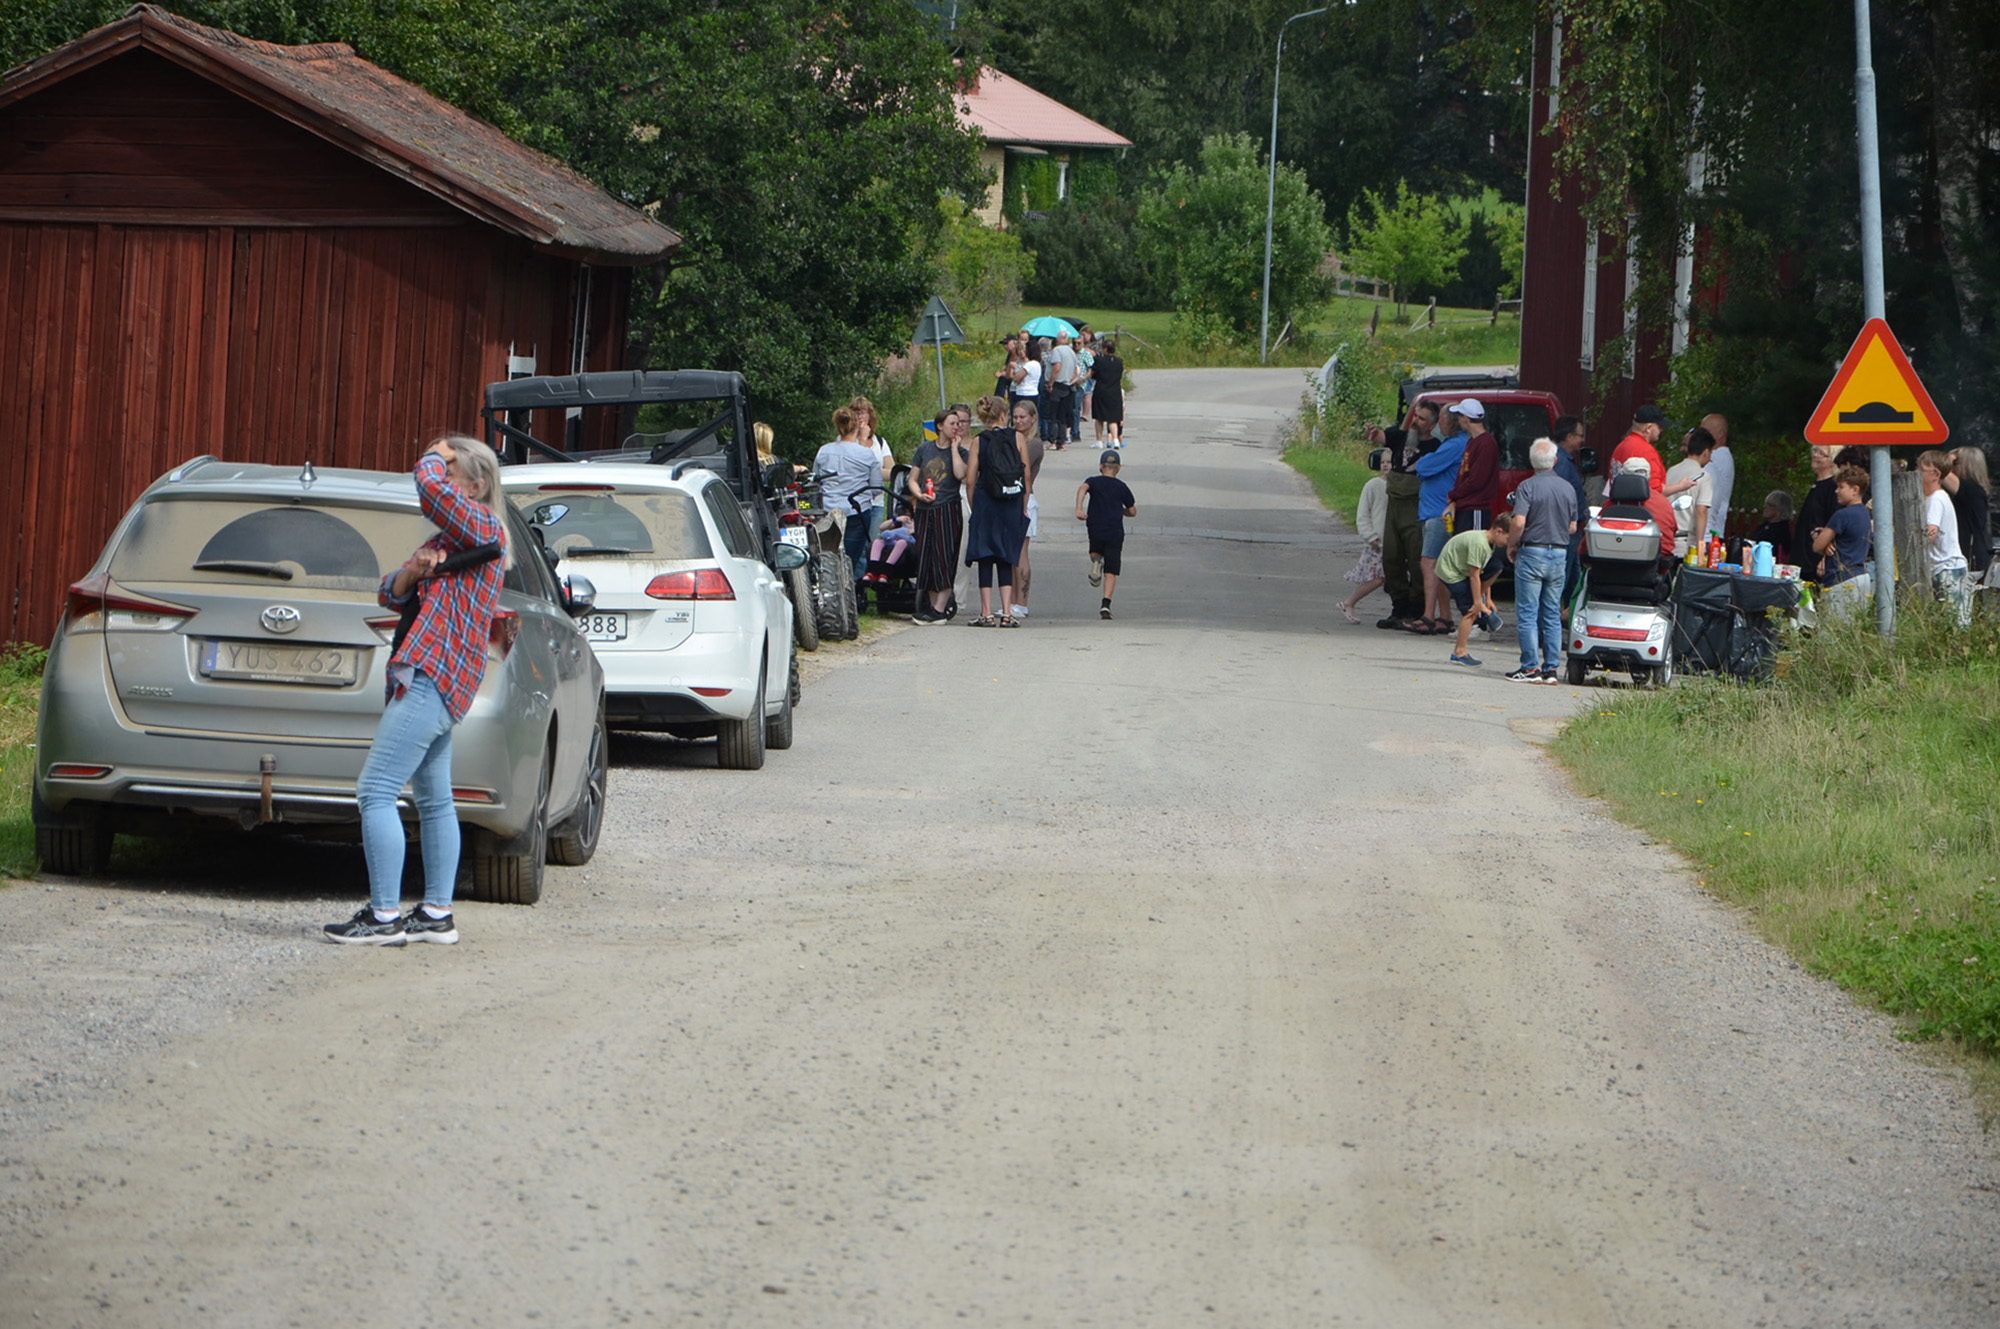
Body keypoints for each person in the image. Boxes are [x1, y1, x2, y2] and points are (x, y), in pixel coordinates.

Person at [324, 436, 507, 946]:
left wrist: (436, 452)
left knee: (375, 790)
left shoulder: (484, 527)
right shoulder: (449, 541)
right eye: (447, 473)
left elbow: (427, 488)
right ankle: (435, 915)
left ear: (477, 486)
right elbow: (388, 592)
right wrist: (411, 573)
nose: (445, 484)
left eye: (455, 478)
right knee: (433, 798)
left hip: (433, 676)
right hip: (431, 677)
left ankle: (384, 917)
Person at [1508, 438, 1577, 683]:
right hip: (1559, 553)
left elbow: (1518, 522)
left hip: (1532, 551)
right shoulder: (1568, 488)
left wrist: (1512, 544)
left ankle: (1529, 668)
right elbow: (1572, 526)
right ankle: (1551, 669)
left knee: (1527, 612)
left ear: (1531, 461)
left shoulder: (1527, 487)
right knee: (1551, 612)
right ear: (1555, 461)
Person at [1366, 400, 1438, 627]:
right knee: (1391, 558)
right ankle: (1398, 608)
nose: (1416, 421)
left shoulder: (1435, 447)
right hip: (1394, 505)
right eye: (1415, 416)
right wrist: (1373, 432)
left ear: (1432, 425)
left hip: (1416, 507)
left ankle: (1416, 609)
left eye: (1422, 419)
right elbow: (1380, 438)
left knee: (1417, 559)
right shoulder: (1401, 437)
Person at [962, 395, 1031, 626]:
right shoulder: (1018, 438)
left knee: (985, 556)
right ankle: (1007, 613)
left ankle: (986, 613)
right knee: (1005, 555)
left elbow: (970, 479)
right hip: (1011, 502)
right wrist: (1023, 505)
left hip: (986, 502)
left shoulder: (979, 441)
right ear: (1005, 414)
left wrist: (974, 505)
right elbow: (1026, 476)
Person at [1410, 406, 1470, 633]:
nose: (1439, 425)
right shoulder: (1452, 444)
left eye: (1442, 420)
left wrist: (1425, 462)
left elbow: (1423, 467)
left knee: (1429, 562)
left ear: (1449, 422)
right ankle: (1444, 617)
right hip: (1434, 511)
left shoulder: (1454, 445)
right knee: (1440, 565)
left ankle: (1428, 615)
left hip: (1438, 512)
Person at [909, 405, 968, 623]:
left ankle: (940, 608)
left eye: (959, 424)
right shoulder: (924, 449)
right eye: (952, 423)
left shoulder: (961, 452)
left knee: (945, 556)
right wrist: (919, 495)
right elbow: (913, 479)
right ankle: (934, 607)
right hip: (925, 509)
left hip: (947, 508)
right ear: (940, 426)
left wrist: (954, 449)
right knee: (927, 557)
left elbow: (961, 474)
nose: (957, 427)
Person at [1436, 513, 1518, 668]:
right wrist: (1477, 603)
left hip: (1462, 567)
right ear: (1498, 531)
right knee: (1471, 611)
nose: (1508, 544)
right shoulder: (1480, 544)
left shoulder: (1490, 543)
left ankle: (1480, 605)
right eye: (1508, 539)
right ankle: (1459, 652)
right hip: (1451, 571)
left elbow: (1483, 571)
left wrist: (1488, 599)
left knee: (1497, 567)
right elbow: (1474, 576)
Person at [814, 405, 880, 584]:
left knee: (828, 554)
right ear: (856, 426)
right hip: (856, 510)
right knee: (851, 557)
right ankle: (850, 590)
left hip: (828, 510)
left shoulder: (824, 450)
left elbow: (816, 481)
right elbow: (876, 488)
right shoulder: (866, 454)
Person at [1077, 449, 1136, 619]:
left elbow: (1082, 489)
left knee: (1095, 551)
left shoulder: (1092, 482)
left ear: (1101, 466)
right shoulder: (1122, 487)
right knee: (1111, 569)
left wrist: (1079, 508)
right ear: (1118, 468)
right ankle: (1106, 603)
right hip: (1114, 530)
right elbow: (1132, 511)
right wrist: (1122, 511)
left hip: (1095, 526)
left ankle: (1096, 560)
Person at [1918, 449, 1971, 625]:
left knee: (1954, 623)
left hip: (1948, 568)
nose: (1917, 472)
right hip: (1942, 568)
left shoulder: (1936, 499)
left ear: (1936, 475)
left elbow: (1931, 532)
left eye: (1921, 469)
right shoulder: (1932, 498)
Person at [1814, 464, 1872, 617]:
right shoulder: (1865, 514)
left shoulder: (1842, 515)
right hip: (1861, 577)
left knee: (1833, 631)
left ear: (1855, 490)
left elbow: (1817, 545)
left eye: (1841, 487)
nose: (1836, 491)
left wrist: (1824, 544)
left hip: (1841, 579)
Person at [1341, 448, 1391, 624]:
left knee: (1389, 577)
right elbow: (1362, 514)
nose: (1385, 465)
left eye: (1389, 462)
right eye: (1383, 462)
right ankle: (1349, 602)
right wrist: (1370, 536)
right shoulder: (1372, 486)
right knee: (1378, 578)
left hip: (1392, 541)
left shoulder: (1399, 487)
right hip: (1377, 542)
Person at [1010, 406, 1049, 619]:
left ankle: (1022, 602)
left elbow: (1017, 466)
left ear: (1033, 418)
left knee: (1021, 552)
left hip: (1025, 499)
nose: (1018, 421)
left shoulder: (1033, 444)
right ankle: (1012, 601)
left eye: (1022, 417)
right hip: (1010, 499)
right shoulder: (1016, 439)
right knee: (1011, 555)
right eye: (1015, 417)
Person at [849, 395, 895, 554]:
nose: (860, 417)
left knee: (873, 544)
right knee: (857, 547)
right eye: (856, 413)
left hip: (876, 501)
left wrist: (870, 472)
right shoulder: (847, 442)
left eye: (863, 412)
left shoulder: (879, 442)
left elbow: (892, 472)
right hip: (855, 502)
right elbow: (853, 470)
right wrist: (861, 439)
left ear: (870, 415)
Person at [1550, 414, 1589, 599]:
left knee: (1573, 579)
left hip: (1573, 530)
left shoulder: (1564, 460)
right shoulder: (1562, 463)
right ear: (1569, 437)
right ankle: (1549, 622)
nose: (1582, 440)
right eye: (1580, 435)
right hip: (1567, 530)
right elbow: (1558, 496)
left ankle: (1569, 617)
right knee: (1561, 579)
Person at [1445, 398, 1498, 532]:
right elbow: (1463, 474)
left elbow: (1476, 480)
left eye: (1459, 416)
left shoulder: (1486, 444)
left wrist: (1453, 495)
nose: (1458, 420)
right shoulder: (1472, 441)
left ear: (1466, 418)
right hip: (1465, 508)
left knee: (1473, 550)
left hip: (1476, 509)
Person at [1944, 447, 1992, 580]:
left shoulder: (1972, 491)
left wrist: (1946, 459)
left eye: (1954, 463)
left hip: (1970, 558)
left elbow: (1939, 471)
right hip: (1968, 557)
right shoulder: (1973, 492)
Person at [1793, 444, 1840, 579]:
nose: (1815, 455)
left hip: (1816, 561)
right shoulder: (1816, 486)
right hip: (1802, 557)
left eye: (1822, 453)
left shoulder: (1832, 488)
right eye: (1815, 451)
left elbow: (1834, 523)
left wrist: (1825, 558)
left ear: (1832, 460)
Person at [1610, 404, 1668, 494]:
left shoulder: (1620, 447)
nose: (1661, 430)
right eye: (1659, 426)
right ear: (1648, 428)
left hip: (1617, 504)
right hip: (1642, 506)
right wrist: (1681, 486)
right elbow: (1654, 489)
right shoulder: (1646, 450)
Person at [1697, 413, 1735, 543]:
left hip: (1711, 529)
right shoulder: (1720, 456)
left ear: (1720, 434)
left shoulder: (1719, 456)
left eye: (1705, 432)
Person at [1047, 331, 1079, 449]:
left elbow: (1057, 367)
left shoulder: (1057, 350)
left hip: (1058, 385)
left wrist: (1050, 383)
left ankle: (1053, 440)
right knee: (1063, 416)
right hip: (1068, 386)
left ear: (1058, 339)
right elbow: (1076, 370)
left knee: (1054, 415)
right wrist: (1071, 380)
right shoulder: (1072, 352)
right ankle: (1062, 441)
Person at [1091, 339, 1125, 446]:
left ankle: (1099, 441)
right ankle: (1115, 440)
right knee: (1113, 418)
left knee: (1099, 418)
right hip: (1114, 391)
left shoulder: (1099, 361)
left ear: (1105, 349)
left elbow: (1094, 374)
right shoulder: (1119, 362)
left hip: (1101, 391)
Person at [1745, 491, 1794, 564]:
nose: (1765, 506)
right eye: (1766, 504)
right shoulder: (1765, 526)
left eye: (1770, 505)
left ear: (1780, 509)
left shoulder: (1781, 531)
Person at [864, 514, 915, 581]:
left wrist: (910, 531)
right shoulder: (903, 522)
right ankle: (872, 571)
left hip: (908, 548)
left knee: (901, 542)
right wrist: (896, 519)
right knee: (877, 542)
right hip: (892, 542)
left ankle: (886, 571)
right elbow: (881, 527)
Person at [1010, 339, 1043, 415]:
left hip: (1024, 393)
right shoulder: (1038, 364)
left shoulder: (1029, 365)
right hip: (1034, 392)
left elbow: (1016, 378)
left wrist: (1016, 368)